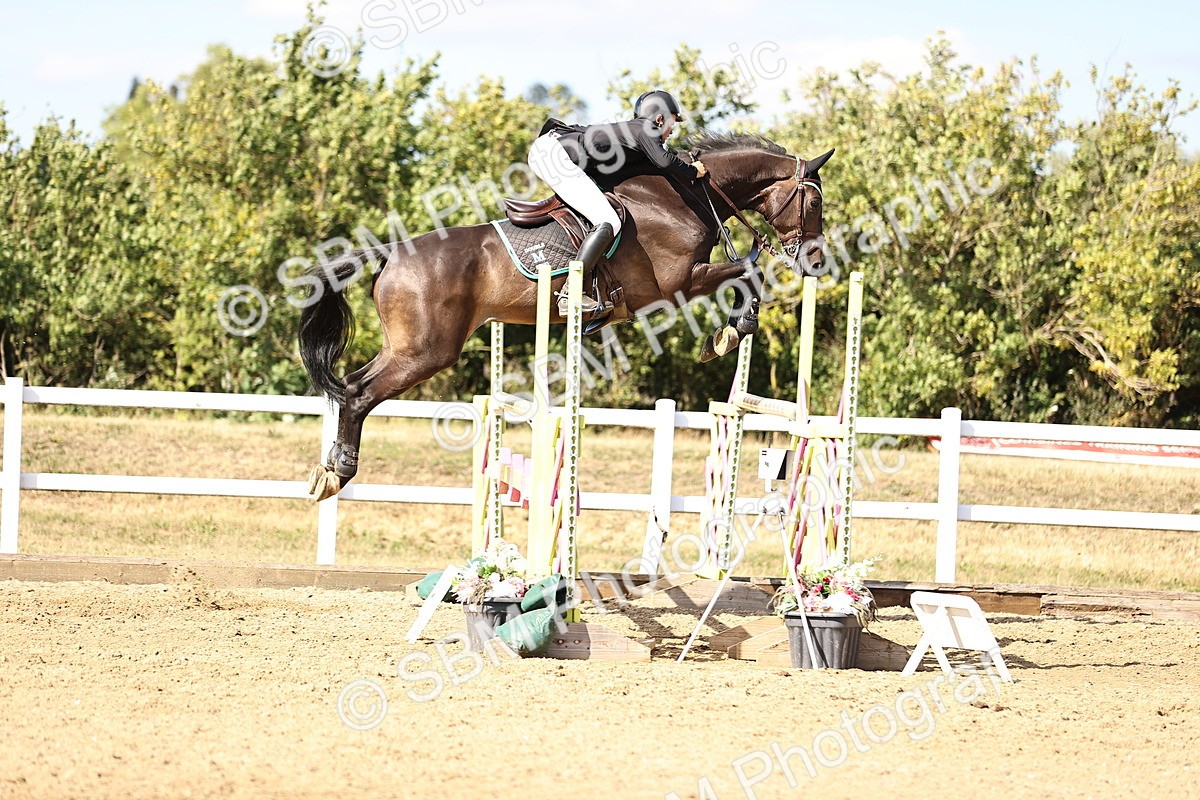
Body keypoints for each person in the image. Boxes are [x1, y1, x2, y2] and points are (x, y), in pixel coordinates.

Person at [527, 90, 707, 255]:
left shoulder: (635, 133)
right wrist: (693, 172)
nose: (672, 130)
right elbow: (664, 160)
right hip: (554, 154)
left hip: (553, 150)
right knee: (609, 221)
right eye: (672, 122)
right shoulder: (647, 128)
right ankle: (573, 286)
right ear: (660, 118)